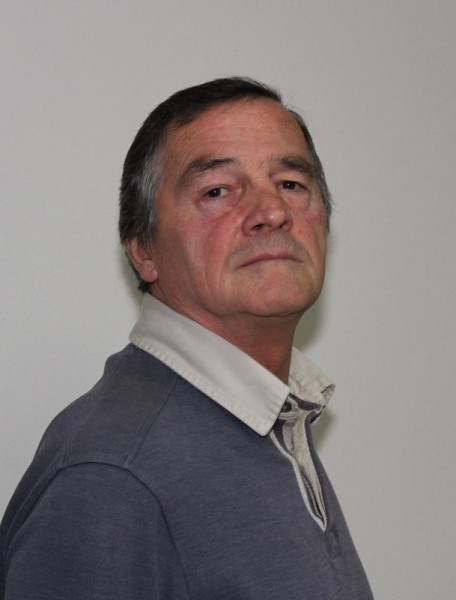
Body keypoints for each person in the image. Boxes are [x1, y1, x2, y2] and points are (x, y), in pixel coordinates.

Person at [0, 77, 373, 599]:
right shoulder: (112, 477)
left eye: (291, 183)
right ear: (143, 251)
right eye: (217, 191)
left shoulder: (272, 419)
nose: (272, 211)